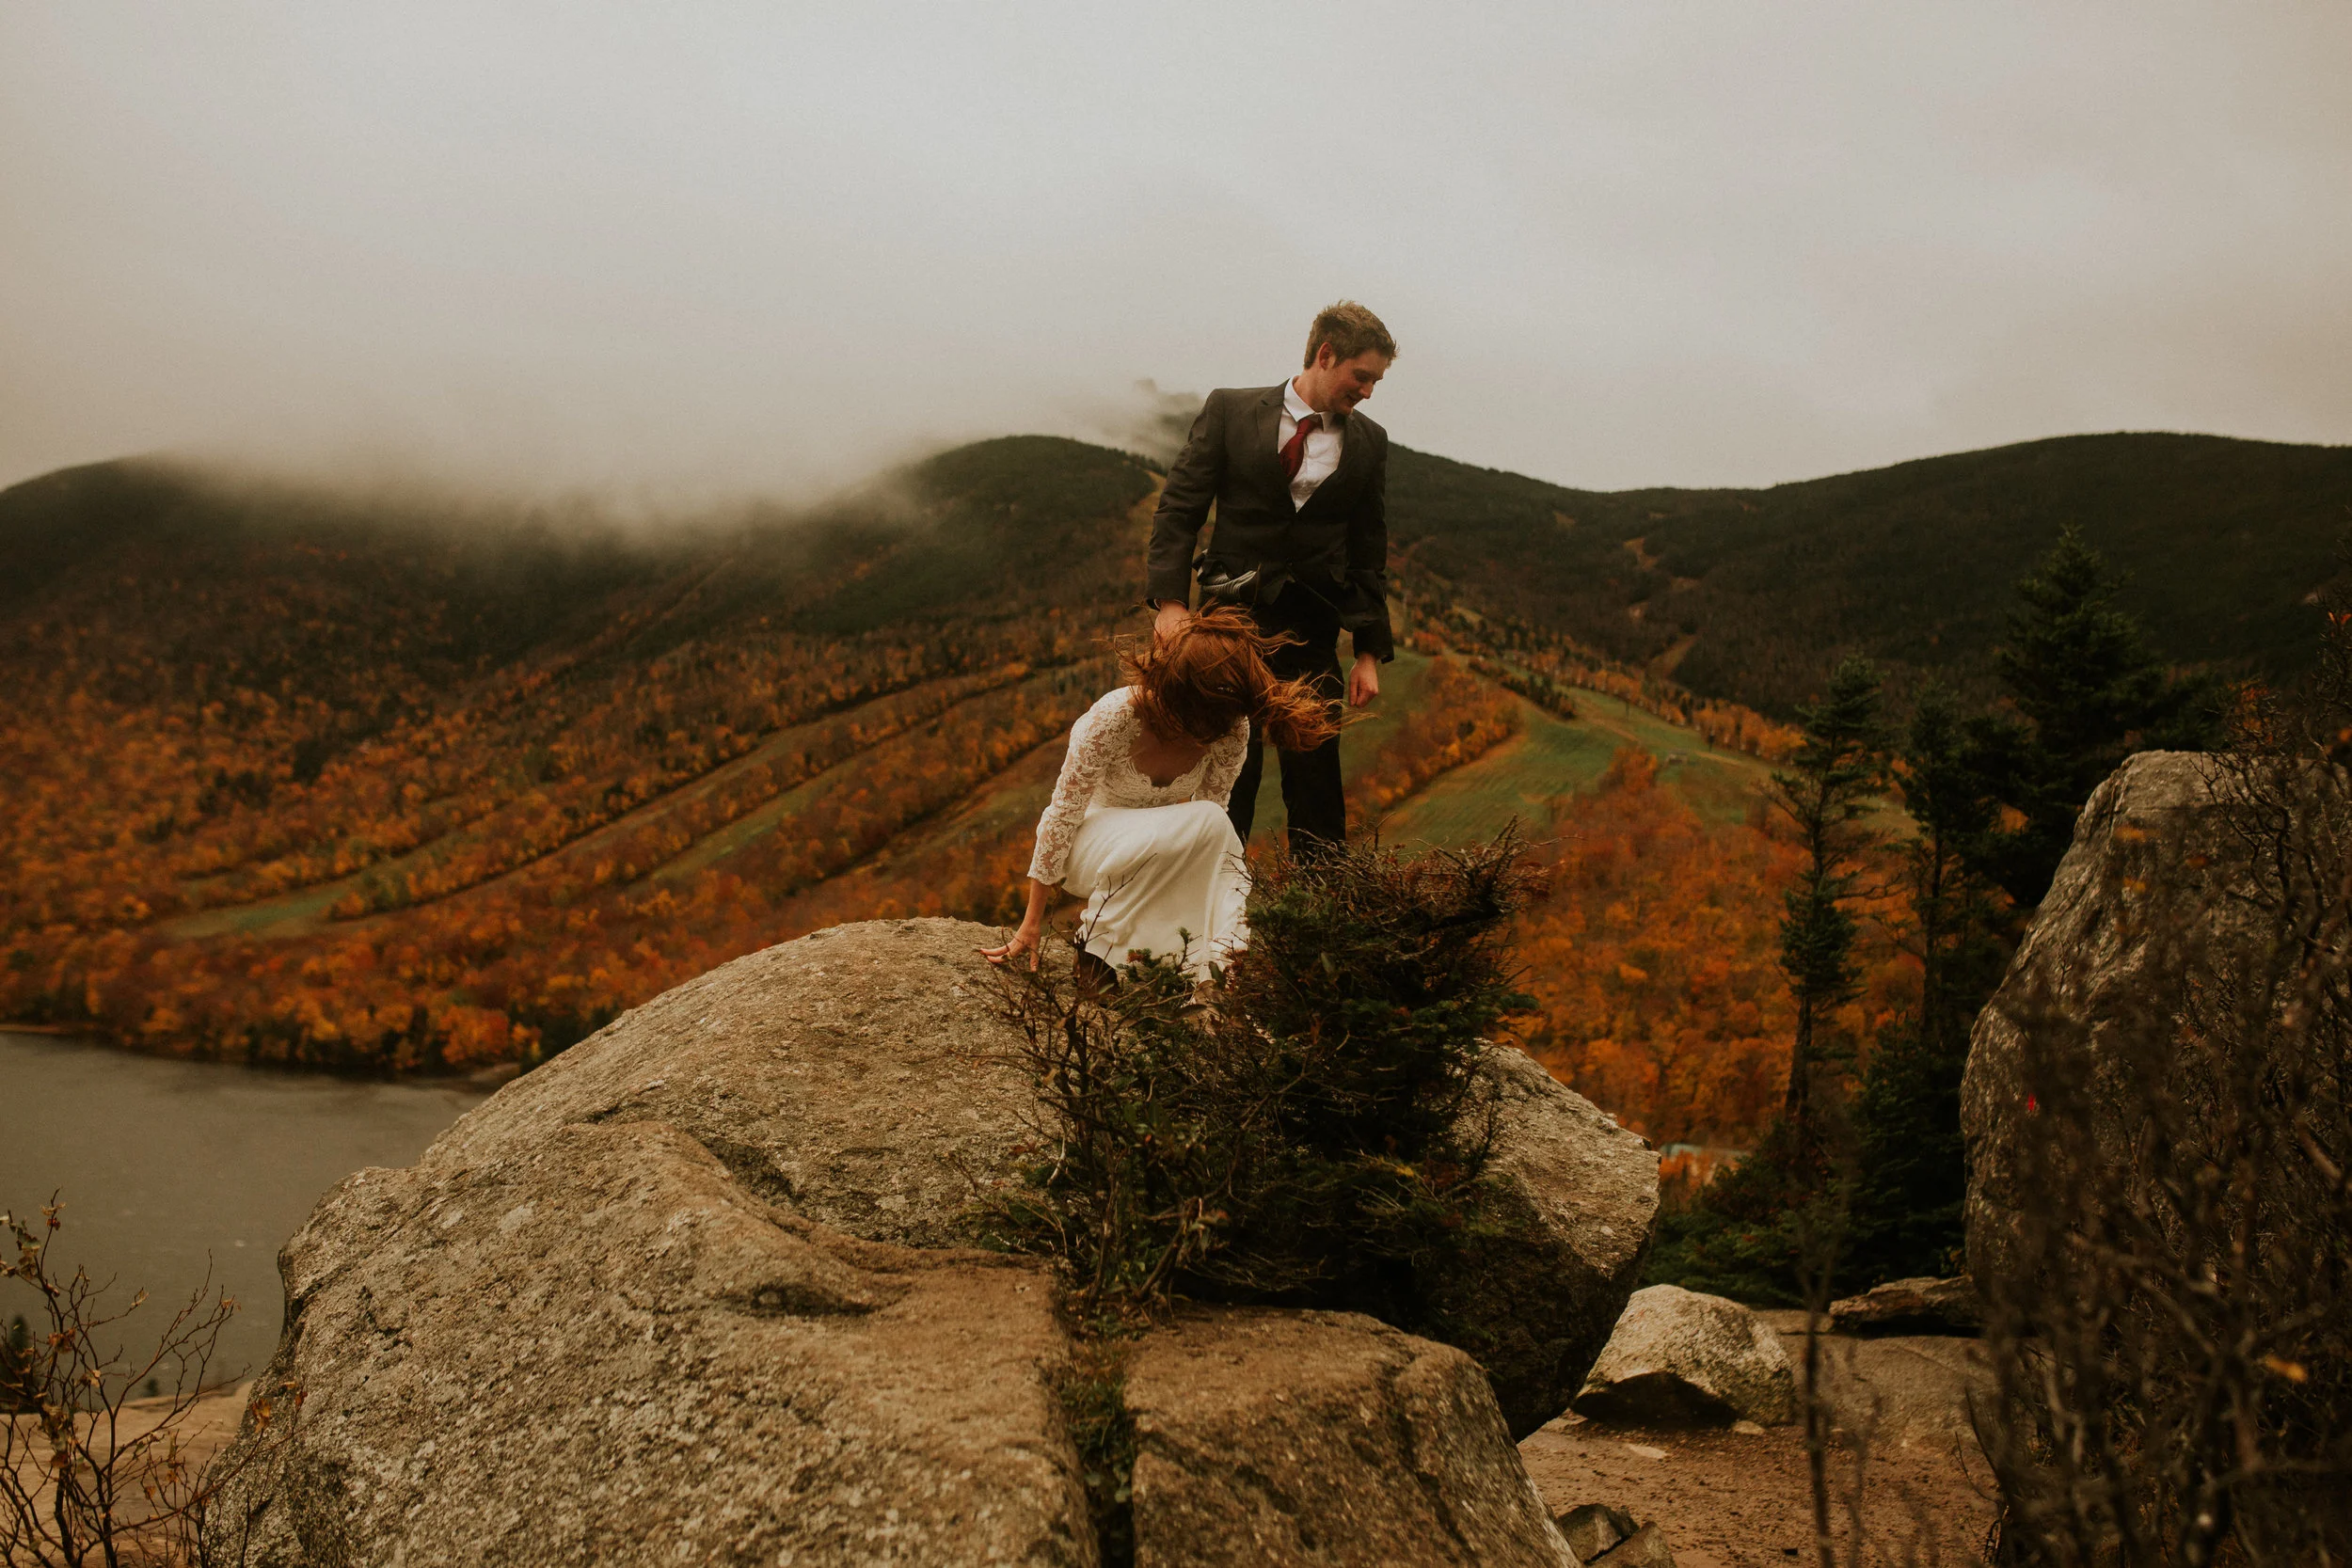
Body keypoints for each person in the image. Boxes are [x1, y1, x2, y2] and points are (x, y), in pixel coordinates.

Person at [1146, 299, 1397, 855]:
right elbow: (1180, 509)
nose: (1368, 392)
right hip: (1228, 626)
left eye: (1376, 381)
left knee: (1317, 787)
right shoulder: (1231, 410)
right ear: (1325, 355)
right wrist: (1170, 604)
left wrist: (1368, 651)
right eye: (1361, 377)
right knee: (1229, 777)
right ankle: (1217, 900)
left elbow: (1367, 549)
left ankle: (1320, 903)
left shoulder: (1370, 441)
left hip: (1312, 632)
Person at [981, 607, 1336, 978]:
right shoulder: (1114, 717)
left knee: (1215, 827)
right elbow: (1062, 814)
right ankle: (1095, 947)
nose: (1204, 730)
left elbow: (1206, 840)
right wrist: (1031, 923)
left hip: (1152, 853)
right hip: (1089, 849)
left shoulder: (1230, 728)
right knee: (1212, 820)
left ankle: (1220, 969)